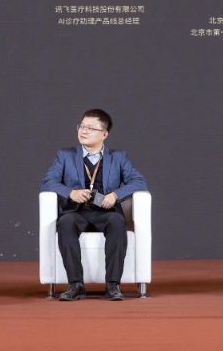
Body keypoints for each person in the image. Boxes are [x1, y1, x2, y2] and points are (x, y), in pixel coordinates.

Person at [40, 109, 147, 301]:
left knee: (117, 222)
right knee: (65, 223)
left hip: (106, 211)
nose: (83, 131)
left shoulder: (118, 157)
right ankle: (75, 285)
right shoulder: (65, 155)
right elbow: (47, 182)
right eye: (81, 126)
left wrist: (115, 195)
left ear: (104, 134)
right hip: (76, 211)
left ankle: (113, 285)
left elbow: (139, 182)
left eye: (90, 128)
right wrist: (70, 192)